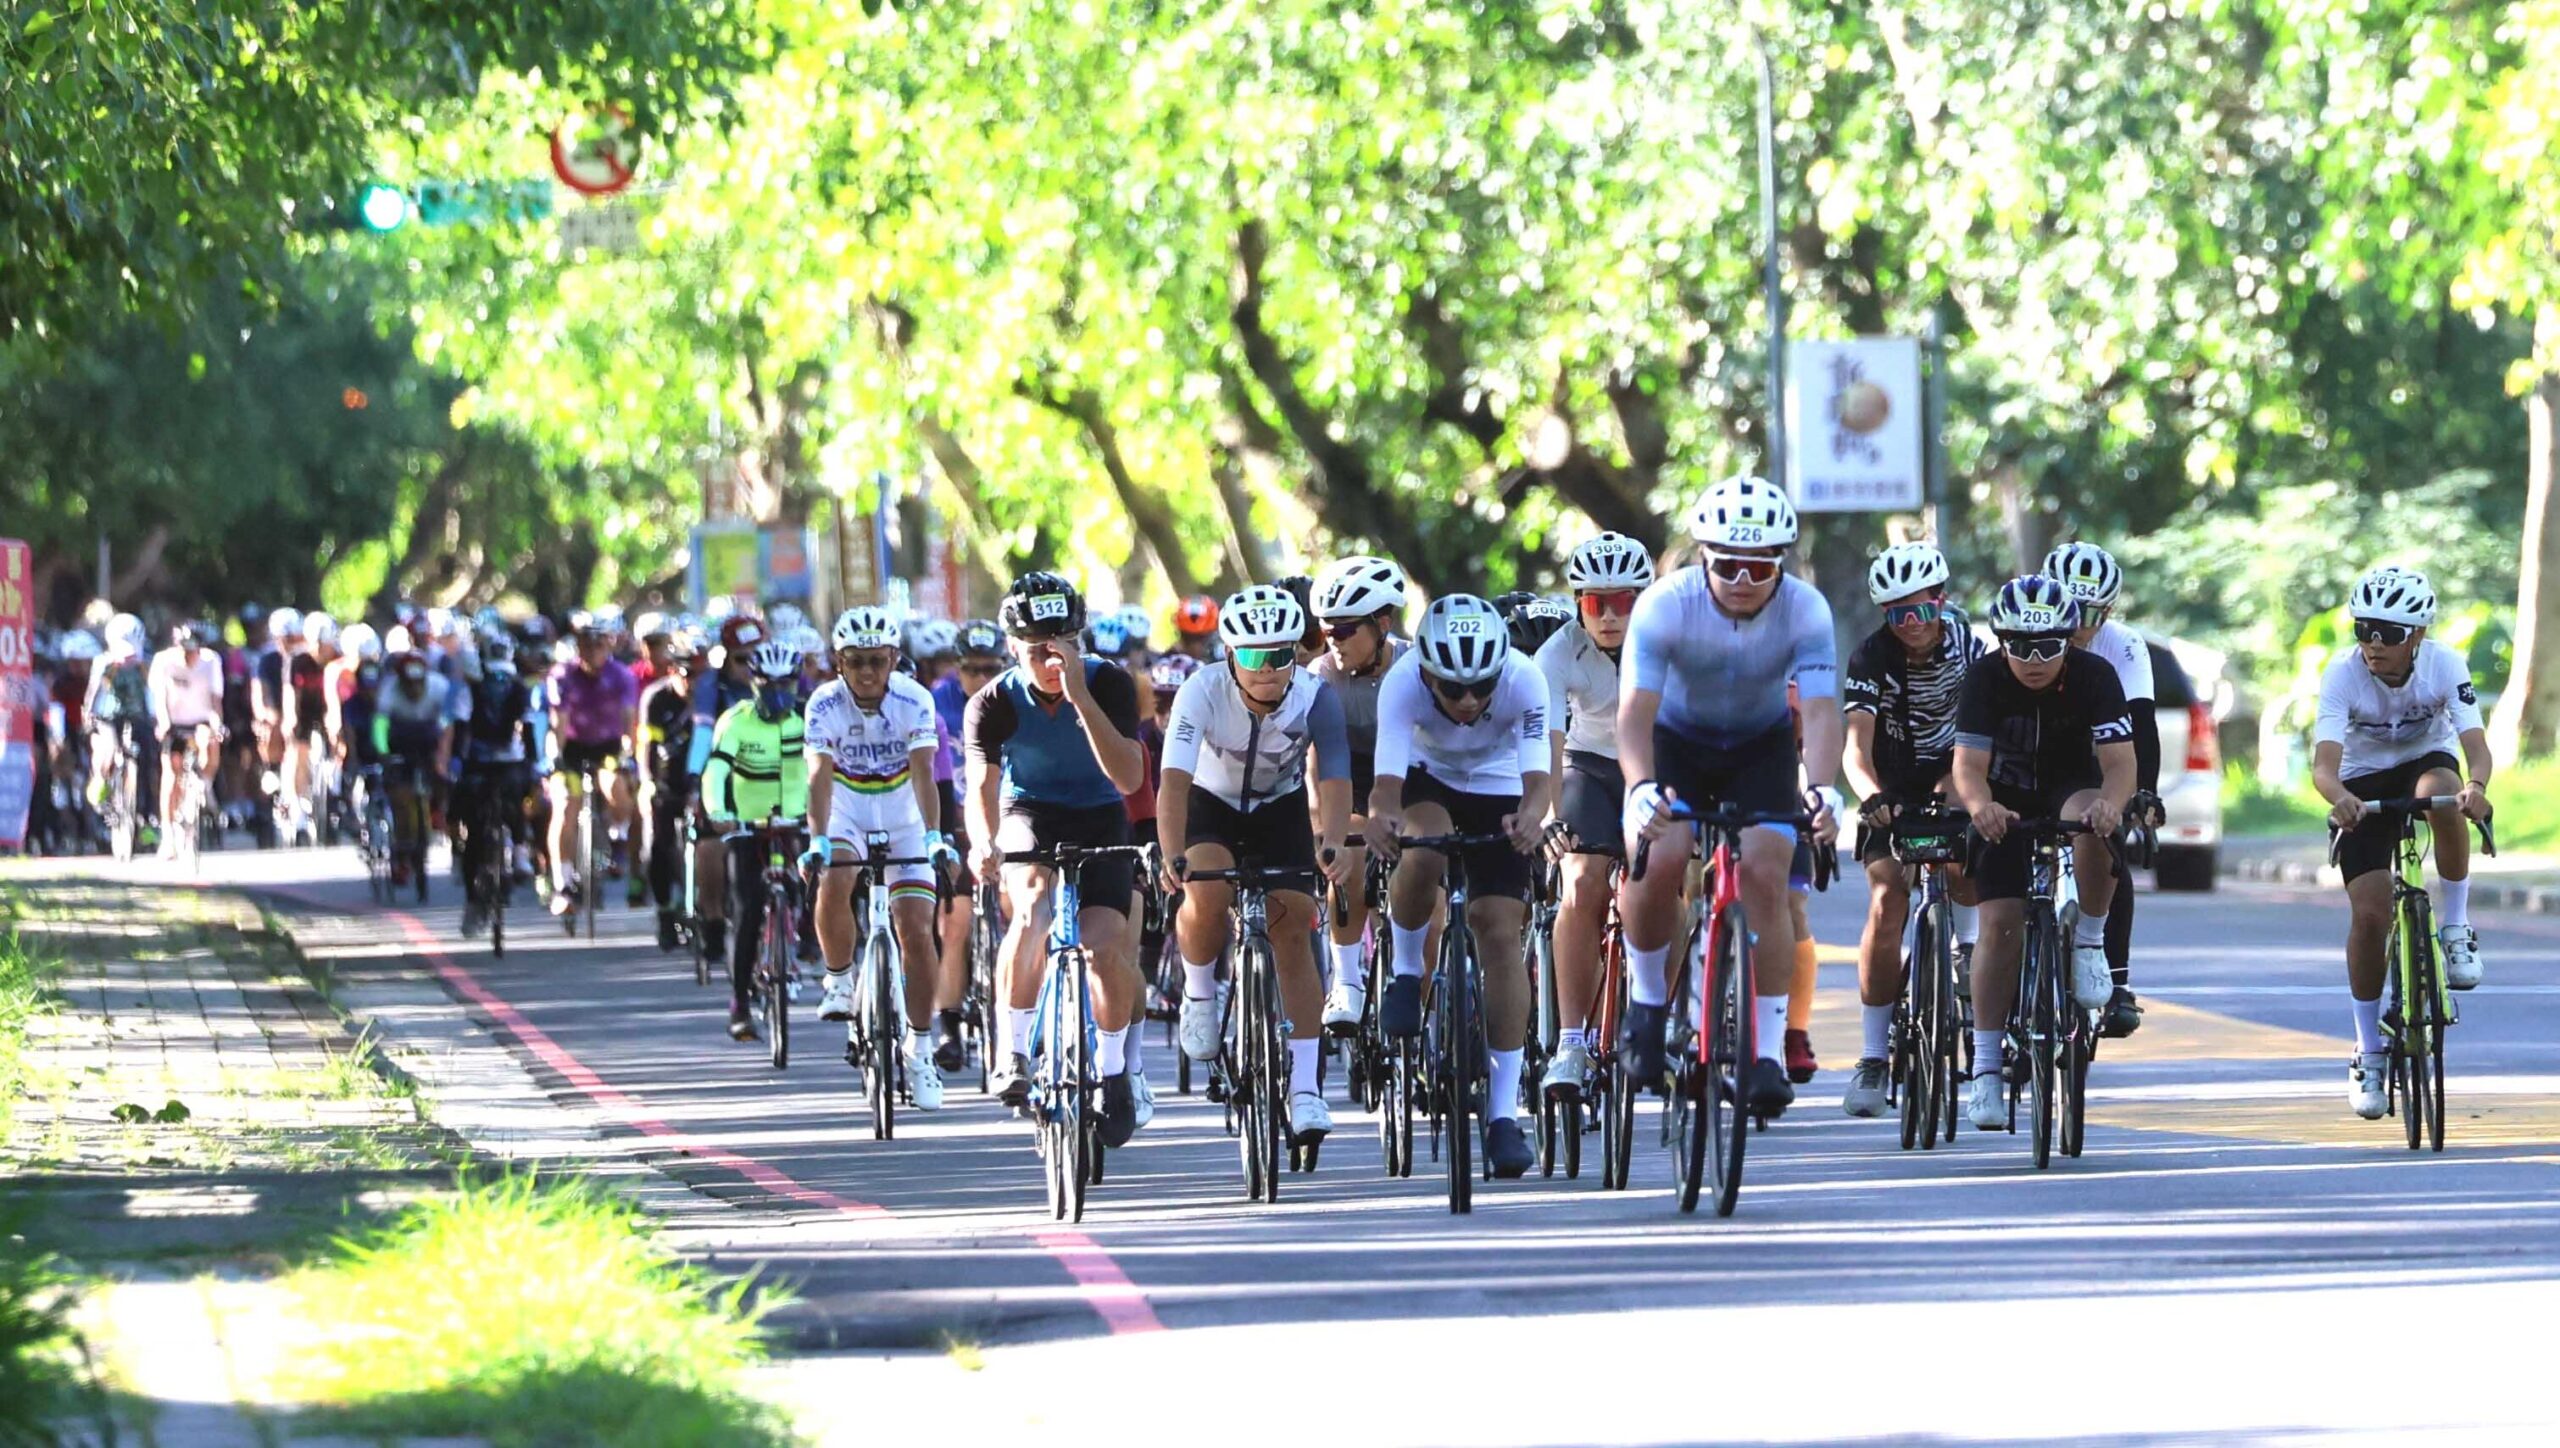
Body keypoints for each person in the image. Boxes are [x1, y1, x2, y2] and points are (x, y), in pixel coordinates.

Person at [1618, 474, 1843, 1120]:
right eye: (1729, 564)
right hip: (1676, 743)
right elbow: (1635, 715)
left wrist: (1824, 788)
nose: (1744, 578)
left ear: (1783, 562)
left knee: (1768, 874)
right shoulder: (1665, 605)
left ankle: (1766, 1054)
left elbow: (1823, 713)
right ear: (1703, 557)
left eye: (1761, 564)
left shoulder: (1807, 610)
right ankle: (1648, 1004)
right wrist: (1638, 789)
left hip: (1760, 747)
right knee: (1662, 856)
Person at [1160, 585, 1354, 1148]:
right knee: (1207, 893)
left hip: (1279, 809)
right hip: (1208, 807)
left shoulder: (1316, 696)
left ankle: (1304, 1091)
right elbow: (1172, 779)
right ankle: (1200, 991)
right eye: (1252, 656)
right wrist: (1173, 851)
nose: (1267, 669)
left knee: (1293, 926)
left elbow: (1335, 775)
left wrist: (1336, 840)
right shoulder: (1200, 691)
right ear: (1229, 656)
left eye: (1280, 655)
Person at [1367, 593, 1552, 1178]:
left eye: (1482, 686)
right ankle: (1404, 973)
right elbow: (1386, 785)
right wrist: (1385, 821)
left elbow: (1541, 780)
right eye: (1453, 689)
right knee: (1423, 845)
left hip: (1500, 783)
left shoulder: (1526, 679)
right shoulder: (1401, 684)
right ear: (1425, 672)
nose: (1470, 700)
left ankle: (1502, 1115)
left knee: (1498, 932)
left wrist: (1531, 818)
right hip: (1432, 778)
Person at [962, 573, 1151, 1141]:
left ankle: (1115, 1070)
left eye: (1064, 643)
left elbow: (1128, 775)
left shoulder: (1110, 684)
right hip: (1031, 813)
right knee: (1033, 908)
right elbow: (980, 789)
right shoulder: (992, 702)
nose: (1052, 657)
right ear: (1013, 647)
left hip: (1100, 813)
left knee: (1104, 950)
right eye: (1037, 647)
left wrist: (1080, 698)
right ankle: (1013, 1051)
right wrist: (983, 843)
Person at [1951, 575, 2135, 1131]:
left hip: (2069, 784)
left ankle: (2088, 941)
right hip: (2003, 794)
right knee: (2001, 924)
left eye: (2048, 647)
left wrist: (2112, 803)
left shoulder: (2095, 676)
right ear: (2000, 641)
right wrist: (1980, 806)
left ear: (2069, 640)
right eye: (2019, 647)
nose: (2033, 660)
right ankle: (1985, 1068)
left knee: (2095, 823)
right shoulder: (1983, 678)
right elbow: (1967, 766)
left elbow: (2121, 763)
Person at [2311, 565, 2493, 1121]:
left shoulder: (2445, 663)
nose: (2373, 643)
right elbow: (2323, 767)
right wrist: (2338, 797)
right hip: (2361, 783)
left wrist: (2476, 788)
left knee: (2442, 793)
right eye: (2364, 628)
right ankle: (2368, 1048)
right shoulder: (2342, 674)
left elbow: (2475, 747)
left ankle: (2455, 927)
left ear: (2417, 634)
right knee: (2369, 917)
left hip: (2424, 764)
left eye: (2388, 633)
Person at [1837, 542, 1984, 1117]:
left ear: (1941, 602)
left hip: (1958, 773)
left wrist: (1960, 781)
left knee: (1965, 866)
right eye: (1898, 616)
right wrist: (1870, 796)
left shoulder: (1971, 649)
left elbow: (1986, 727)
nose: (1912, 626)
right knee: (1886, 897)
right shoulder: (1871, 658)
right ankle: (1874, 1056)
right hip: (1891, 788)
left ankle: (1965, 950)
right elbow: (1855, 745)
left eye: (1921, 611)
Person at [805, 606, 956, 1107]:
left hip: (903, 810)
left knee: (916, 927)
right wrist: (817, 839)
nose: (867, 672)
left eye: (876, 660)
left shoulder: (915, 699)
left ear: (893, 658)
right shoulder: (824, 704)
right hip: (847, 803)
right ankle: (839, 978)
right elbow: (819, 775)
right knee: (835, 879)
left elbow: (924, 771)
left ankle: (920, 1048)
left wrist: (934, 835)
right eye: (855, 661)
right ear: (838, 662)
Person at [1533, 533, 1653, 1106]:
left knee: (1670, 882)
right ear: (1578, 603)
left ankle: (1662, 1018)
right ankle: (1571, 1042)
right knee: (1580, 882)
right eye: (1594, 602)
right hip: (1588, 767)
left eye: (1623, 601)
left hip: (1655, 765)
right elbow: (1549, 745)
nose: (1608, 616)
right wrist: (1553, 817)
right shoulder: (1556, 654)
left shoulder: (1667, 643)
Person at [2044, 540, 2160, 1038]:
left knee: (2109, 846)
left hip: (2104, 757)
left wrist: (2145, 795)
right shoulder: (2026, 636)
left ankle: (2116, 978)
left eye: (2092, 613)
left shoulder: (2124, 644)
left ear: (2109, 611)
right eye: (2070, 608)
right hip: (2042, 754)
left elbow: (2142, 727)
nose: (2078, 623)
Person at [1306, 554, 1410, 1031]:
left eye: (1346, 630)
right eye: (1328, 631)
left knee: (1422, 881)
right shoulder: (1320, 677)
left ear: (1382, 624)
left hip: (1411, 782)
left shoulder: (1413, 666)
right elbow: (1318, 767)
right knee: (1344, 854)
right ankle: (1346, 981)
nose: (1335, 641)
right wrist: (1328, 831)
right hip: (1345, 779)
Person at [700, 640, 811, 1040]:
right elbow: (715, 772)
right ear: (754, 684)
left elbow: (830, 771)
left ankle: (811, 941)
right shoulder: (736, 721)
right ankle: (740, 1003)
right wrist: (718, 812)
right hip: (747, 824)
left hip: (797, 819)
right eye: (769, 686)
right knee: (746, 910)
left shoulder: (809, 719)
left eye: (787, 685)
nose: (779, 694)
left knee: (823, 882)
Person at [923, 619, 1007, 1070]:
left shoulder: (1014, 697)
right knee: (953, 924)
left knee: (1019, 912)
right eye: (971, 670)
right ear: (957, 669)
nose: (980, 679)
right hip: (956, 818)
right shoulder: (937, 701)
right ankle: (949, 1025)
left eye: (990, 668)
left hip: (1008, 819)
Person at [544, 612, 640, 917]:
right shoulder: (562, 676)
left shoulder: (621, 675)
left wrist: (629, 751)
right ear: (578, 646)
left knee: (616, 786)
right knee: (564, 806)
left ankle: (617, 837)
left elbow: (629, 720)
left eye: (599, 645)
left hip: (608, 746)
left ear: (609, 646)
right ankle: (562, 883)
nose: (593, 651)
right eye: (586, 645)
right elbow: (559, 720)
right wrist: (556, 757)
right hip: (572, 748)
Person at [687, 616, 769, 961]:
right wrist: (694, 781)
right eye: (741, 659)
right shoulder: (711, 686)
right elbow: (703, 735)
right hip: (723, 777)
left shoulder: (777, 678)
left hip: (769, 780)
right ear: (725, 657)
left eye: (757, 658)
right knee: (709, 848)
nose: (750, 668)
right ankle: (715, 919)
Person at [453, 631, 537, 938]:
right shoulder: (470, 691)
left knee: (518, 797)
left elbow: (528, 728)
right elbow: (460, 728)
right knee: (473, 828)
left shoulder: (520, 689)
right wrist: (456, 761)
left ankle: (521, 851)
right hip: (477, 759)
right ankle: (473, 899)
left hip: (510, 759)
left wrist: (533, 761)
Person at [637, 626, 701, 950]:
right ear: (673, 670)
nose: (693, 683)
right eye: (687, 673)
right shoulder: (656, 699)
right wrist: (648, 783)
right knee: (658, 846)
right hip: (666, 779)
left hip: (702, 781)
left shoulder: (709, 699)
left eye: (700, 674)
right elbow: (646, 747)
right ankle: (664, 911)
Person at [371, 646, 458, 879]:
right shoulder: (389, 690)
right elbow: (381, 725)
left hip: (429, 737)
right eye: (409, 683)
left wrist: (443, 755)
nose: (414, 688)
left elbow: (449, 723)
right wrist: (384, 752)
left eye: (419, 683)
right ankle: (402, 849)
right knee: (401, 796)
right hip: (400, 738)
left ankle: (439, 809)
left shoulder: (439, 687)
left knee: (443, 776)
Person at [147, 621, 226, 856]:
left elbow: (215, 701)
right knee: (171, 774)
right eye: (183, 650)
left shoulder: (211, 662)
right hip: (173, 722)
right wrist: (163, 722)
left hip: (200, 719)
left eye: (192, 651)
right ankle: (169, 835)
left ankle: (206, 784)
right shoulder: (163, 662)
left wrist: (217, 724)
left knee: (209, 742)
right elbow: (158, 697)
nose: (187, 656)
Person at [82, 615, 152, 825]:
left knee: (148, 756)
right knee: (110, 749)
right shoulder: (104, 662)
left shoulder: (145, 663)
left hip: (137, 715)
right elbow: (93, 691)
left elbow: (153, 691)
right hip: (108, 716)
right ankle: (102, 780)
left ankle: (144, 814)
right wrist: (89, 714)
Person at [1171, 594, 1221, 661]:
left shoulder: (1226, 660)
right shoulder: (1167, 663)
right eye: (1188, 639)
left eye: (1202, 638)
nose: (1195, 647)